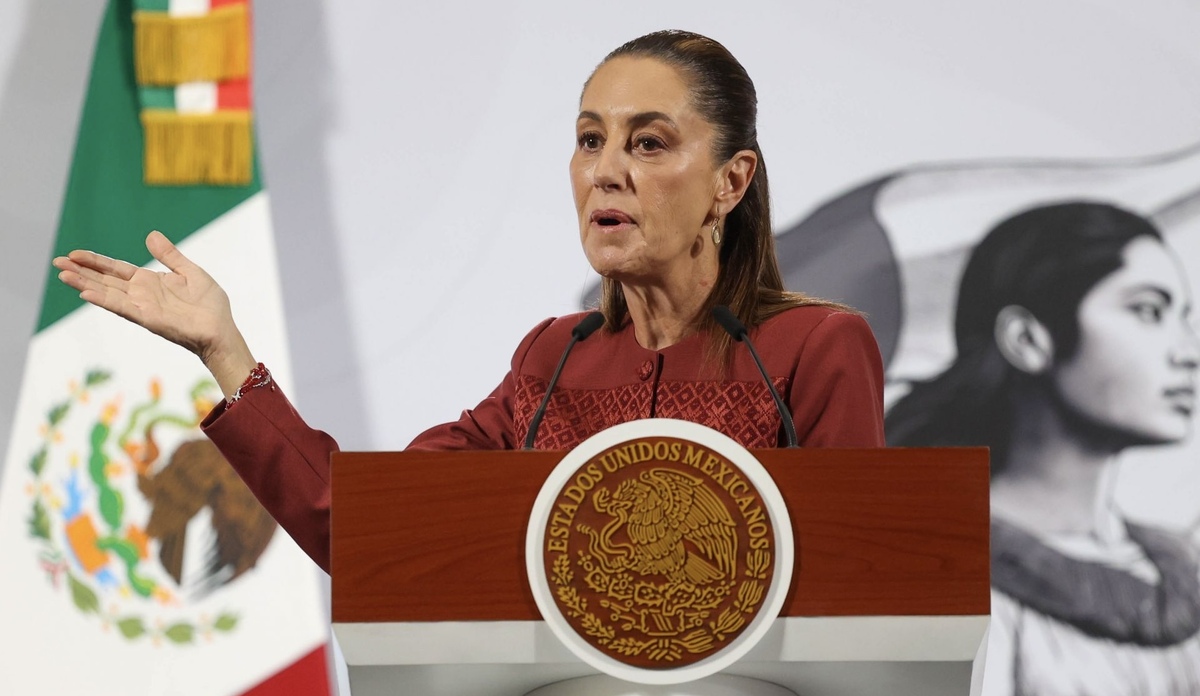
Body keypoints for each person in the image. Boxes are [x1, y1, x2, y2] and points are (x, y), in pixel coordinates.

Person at [51, 30, 885, 574]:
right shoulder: (553, 362)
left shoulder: (815, 350)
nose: (605, 170)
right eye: (590, 139)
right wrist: (224, 351)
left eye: (649, 143)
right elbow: (370, 529)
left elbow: (867, 594)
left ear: (730, 181)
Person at [886, 201, 1200, 696]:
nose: (1188, 351)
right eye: (1148, 311)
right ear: (1028, 340)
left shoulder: (1179, 564)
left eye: (1184, 318)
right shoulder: (942, 572)